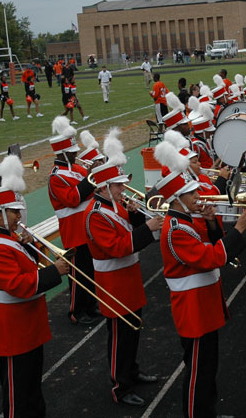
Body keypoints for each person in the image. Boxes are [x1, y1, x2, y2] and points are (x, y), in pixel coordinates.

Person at [155, 140, 246, 418]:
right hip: (193, 307)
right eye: (191, 194)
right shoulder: (175, 229)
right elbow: (210, 257)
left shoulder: (186, 221)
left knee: (208, 366)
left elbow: (212, 246)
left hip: (204, 303)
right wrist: (239, 231)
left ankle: (207, 411)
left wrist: (210, 222)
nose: (198, 197)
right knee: (198, 369)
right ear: (177, 199)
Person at [0, 156, 69, 417]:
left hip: (27, 323)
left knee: (31, 388)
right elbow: (17, 284)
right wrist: (56, 272)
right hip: (12, 328)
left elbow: (30, 266)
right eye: (14, 211)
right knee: (18, 396)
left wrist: (32, 244)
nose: (19, 215)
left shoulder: (10, 237)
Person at [84, 129, 163, 406]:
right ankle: (120, 386)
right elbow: (117, 247)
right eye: (117, 185)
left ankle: (131, 371)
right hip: (113, 280)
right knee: (120, 334)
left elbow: (131, 231)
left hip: (128, 276)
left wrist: (138, 214)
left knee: (132, 329)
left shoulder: (115, 205)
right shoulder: (94, 214)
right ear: (104, 188)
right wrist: (148, 228)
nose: (122, 188)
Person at [48, 116, 100, 326]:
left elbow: (90, 190)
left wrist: (95, 173)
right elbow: (73, 198)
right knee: (79, 274)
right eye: (72, 151)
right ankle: (76, 311)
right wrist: (91, 177)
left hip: (87, 227)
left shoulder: (76, 169)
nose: (76, 153)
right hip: (73, 231)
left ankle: (90, 305)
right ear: (63, 152)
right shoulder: (56, 176)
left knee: (90, 270)